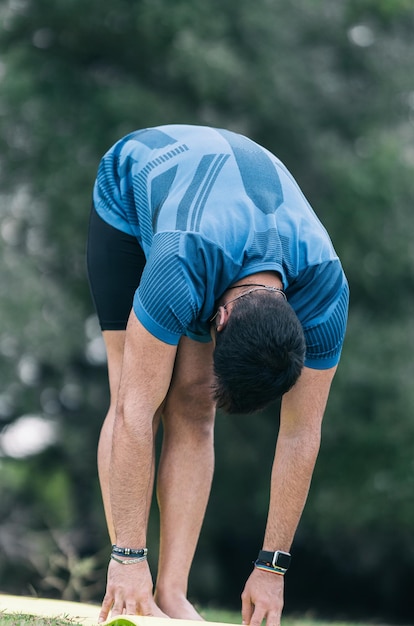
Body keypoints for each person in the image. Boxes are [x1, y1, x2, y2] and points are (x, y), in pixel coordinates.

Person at [86, 124, 349, 625]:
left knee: (194, 403)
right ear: (220, 320)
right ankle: (130, 579)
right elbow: (134, 413)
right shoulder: (178, 262)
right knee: (135, 392)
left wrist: (273, 568)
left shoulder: (325, 290)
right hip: (131, 188)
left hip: (226, 228)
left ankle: (172, 595)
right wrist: (128, 558)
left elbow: (301, 433)